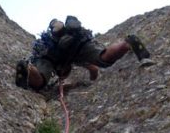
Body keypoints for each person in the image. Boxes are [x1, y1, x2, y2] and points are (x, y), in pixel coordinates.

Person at [15, 15, 153, 91]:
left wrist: (92, 80)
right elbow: (94, 69)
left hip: (49, 54)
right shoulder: (74, 59)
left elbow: (92, 70)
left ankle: (28, 67)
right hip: (79, 43)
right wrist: (93, 81)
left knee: (39, 82)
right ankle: (127, 43)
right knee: (103, 58)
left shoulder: (54, 61)